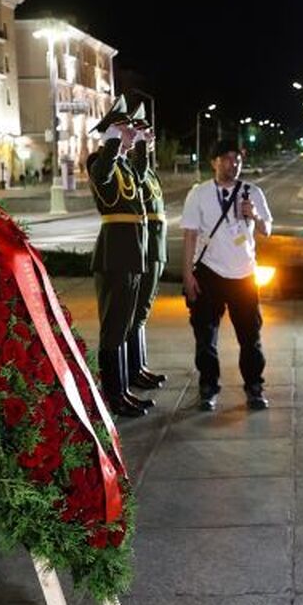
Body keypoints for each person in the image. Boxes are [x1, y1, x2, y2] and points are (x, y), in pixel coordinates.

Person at [181, 140, 273, 411]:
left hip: (244, 274)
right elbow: (189, 235)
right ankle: (208, 387)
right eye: (226, 159)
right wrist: (187, 275)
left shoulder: (252, 191)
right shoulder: (198, 194)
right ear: (214, 162)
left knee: (250, 335)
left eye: (237, 160)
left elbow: (267, 229)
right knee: (205, 336)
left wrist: (254, 216)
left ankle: (254, 386)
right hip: (209, 273)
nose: (233, 164)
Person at [86, 95, 154, 418]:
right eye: (125, 128)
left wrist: (138, 146)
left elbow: (140, 177)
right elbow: (103, 180)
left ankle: (123, 390)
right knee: (113, 329)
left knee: (125, 325)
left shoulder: (124, 166)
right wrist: (112, 142)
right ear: (112, 131)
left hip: (131, 254)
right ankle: (113, 397)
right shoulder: (98, 161)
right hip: (114, 256)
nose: (131, 133)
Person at [121, 100, 169, 392]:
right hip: (144, 246)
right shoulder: (131, 169)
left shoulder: (147, 171)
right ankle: (131, 371)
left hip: (155, 246)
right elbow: (135, 183)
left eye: (148, 133)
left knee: (142, 311)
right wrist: (138, 149)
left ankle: (139, 366)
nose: (149, 138)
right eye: (143, 133)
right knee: (134, 312)